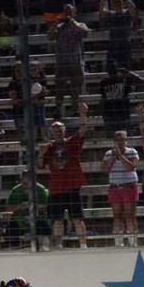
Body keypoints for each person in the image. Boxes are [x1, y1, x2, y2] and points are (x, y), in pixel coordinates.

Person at [38, 102, 90, 249]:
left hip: (72, 186)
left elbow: (83, 130)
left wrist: (83, 114)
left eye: (60, 130)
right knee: (57, 220)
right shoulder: (48, 147)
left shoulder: (72, 142)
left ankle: (83, 245)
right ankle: (59, 245)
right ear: (51, 132)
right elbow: (40, 166)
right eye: (55, 130)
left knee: (77, 218)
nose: (58, 132)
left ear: (64, 130)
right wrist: (41, 154)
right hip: (56, 188)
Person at [102, 129, 140, 247]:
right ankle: (118, 240)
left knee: (130, 214)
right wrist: (114, 157)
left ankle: (132, 240)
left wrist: (120, 156)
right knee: (117, 214)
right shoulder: (108, 153)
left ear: (126, 141)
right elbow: (105, 169)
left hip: (129, 186)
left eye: (122, 140)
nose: (119, 142)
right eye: (117, 140)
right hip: (115, 186)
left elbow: (131, 167)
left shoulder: (132, 152)